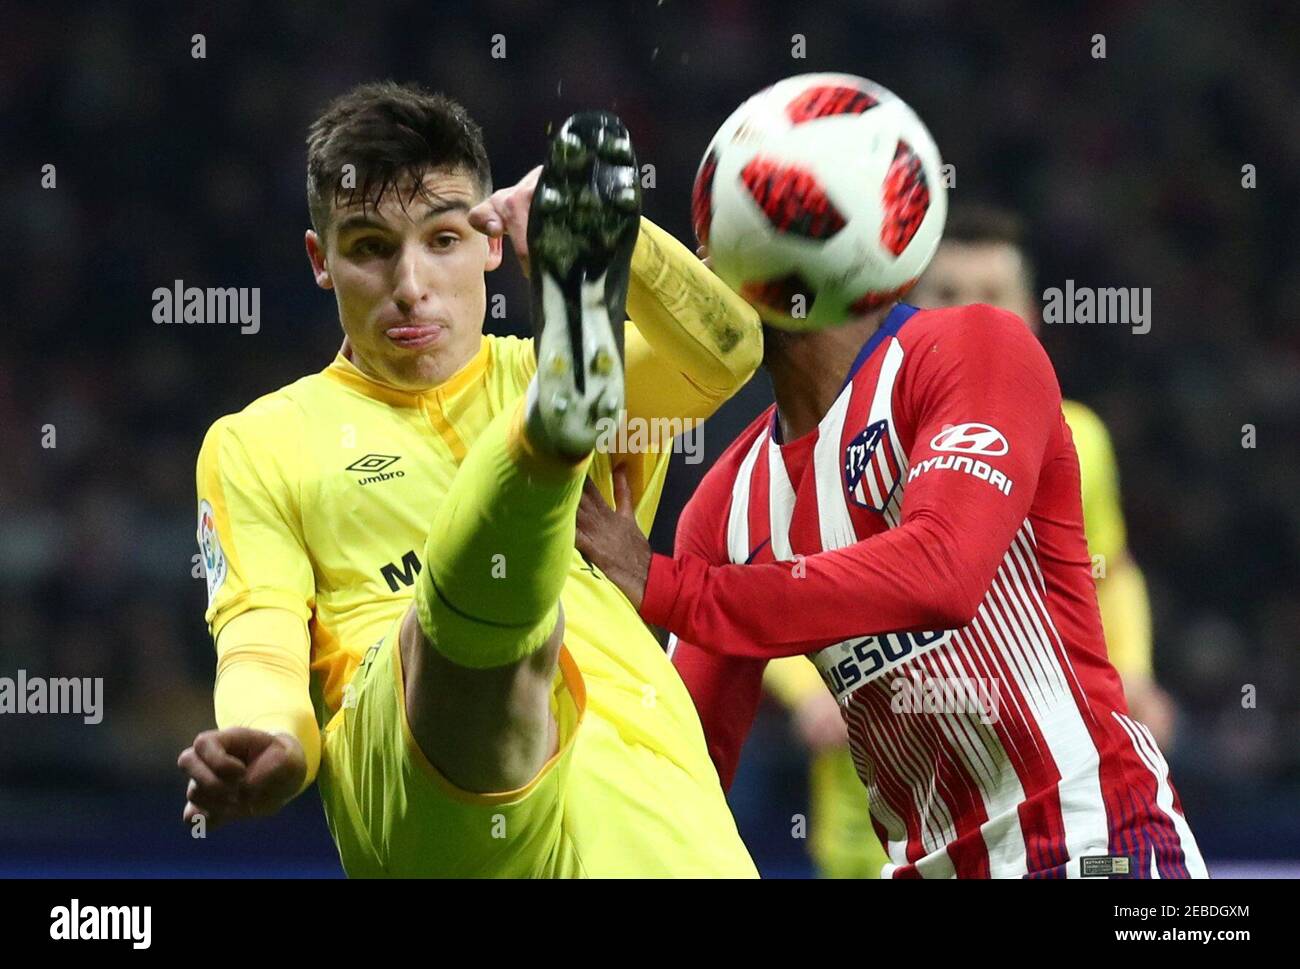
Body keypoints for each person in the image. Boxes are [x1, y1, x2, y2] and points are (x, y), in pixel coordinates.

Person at [178, 81, 762, 877]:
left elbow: (728, 349)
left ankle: (548, 434)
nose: (410, 285)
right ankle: (547, 437)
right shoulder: (260, 440)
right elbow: (258, 643)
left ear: (492, 241)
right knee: (484, 632)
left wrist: (622, 233)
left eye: (442, 240)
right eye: (371, 247)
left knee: (526, 637)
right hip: (420, 780)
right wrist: (275, 736)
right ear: (323, 261)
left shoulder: (552, 370)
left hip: (647, 793)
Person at [576, 235, 1207, 879]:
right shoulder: (727, 503)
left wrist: (672, 588)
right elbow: (684, 770)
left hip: (1091, 846)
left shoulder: (974, 351)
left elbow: (944, 573)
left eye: (744, 236)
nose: (707, 273)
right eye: (705, 252)